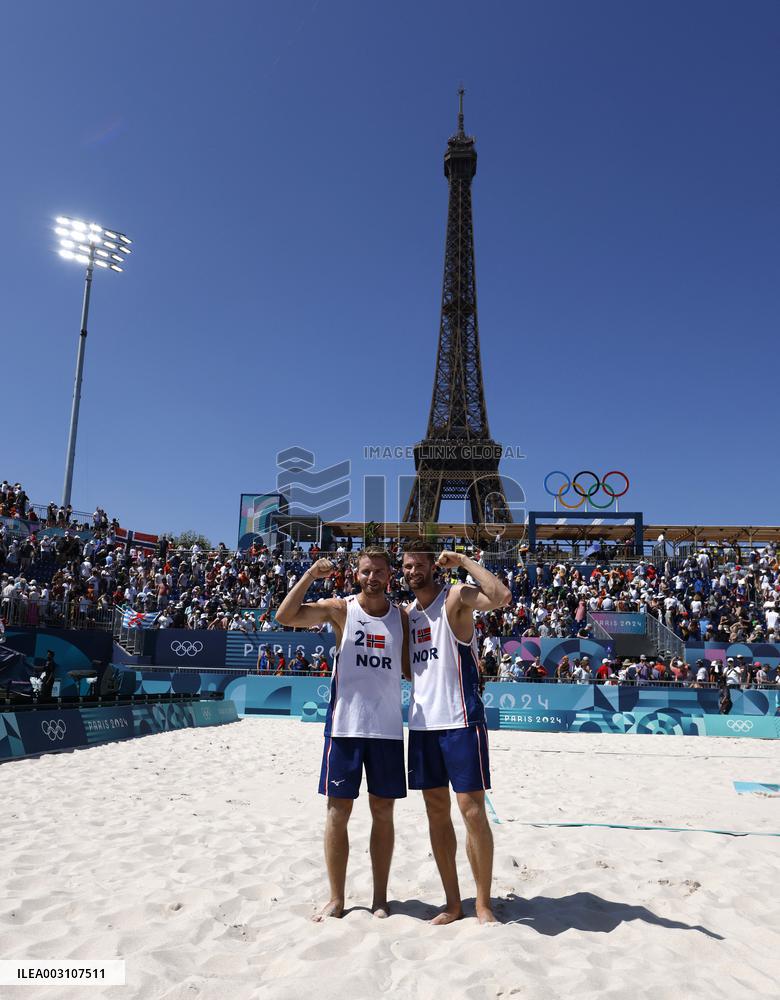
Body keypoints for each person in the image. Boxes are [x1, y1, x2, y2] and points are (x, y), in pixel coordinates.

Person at [276, 547, 409, 922]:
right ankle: (336, 898)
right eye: (366, 571)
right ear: (357, 575)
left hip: (386, 730)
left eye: (379, 571)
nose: (373, 577)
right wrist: (309, 577)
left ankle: (380, 898)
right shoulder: (342, 609)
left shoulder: (400, 616)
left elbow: (413, 668)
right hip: (345, 728)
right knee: (338, 812)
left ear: (389, 575)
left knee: (383, 813)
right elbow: (285, 616)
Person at [401, 539, 511, 925]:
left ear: (434, 566)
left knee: (472, 812)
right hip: (422, 725)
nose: (412, 571)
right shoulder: (408, 615)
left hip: (461, 721)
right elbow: (405, 668)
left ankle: (483, 904)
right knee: (436, 813)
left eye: (418, 565)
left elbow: (500, 596)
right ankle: (452, 902)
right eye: (407, 566)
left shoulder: (455, 598)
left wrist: (464, 559)